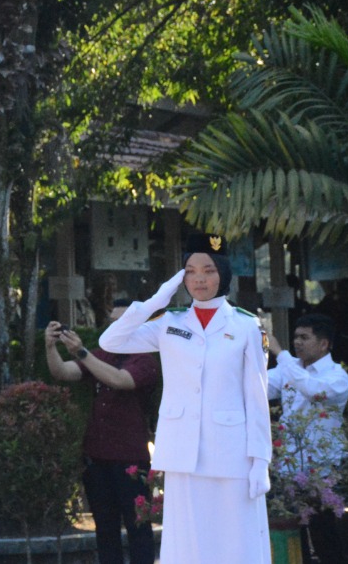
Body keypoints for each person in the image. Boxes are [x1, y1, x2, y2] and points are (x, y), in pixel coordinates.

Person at [100, 233, 271, 564]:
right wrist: (155, 300)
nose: (199, 279)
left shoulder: (247, 326)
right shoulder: (169, 322)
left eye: (208, 270)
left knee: (236, 539)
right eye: (190, 271)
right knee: (187, 542)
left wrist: (260, 461)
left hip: (231, 451)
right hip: (182, 451)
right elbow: (111, 341)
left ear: (223, 275)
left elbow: (256, 398)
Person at [46, 300, 160, 564]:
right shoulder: (102, 354)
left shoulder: (144, 361)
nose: (116, 327)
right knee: (105, 529)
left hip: (130, 459)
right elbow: (63, 372)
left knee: (138, 527)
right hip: (96, 457)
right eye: (112, 322)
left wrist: (82, 352)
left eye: (123, 322)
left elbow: (119, 380)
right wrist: (51, 346)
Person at [269, 312, 348, 564]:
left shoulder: (337, 376)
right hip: (290, 465)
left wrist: (280, 353)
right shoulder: (289, 370)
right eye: (295, 337)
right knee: (296, 534)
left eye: (305, 337)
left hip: (323, 467)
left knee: (324, 534)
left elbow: (313, 390)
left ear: (324, 343)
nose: (297, 342)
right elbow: (256, 385)